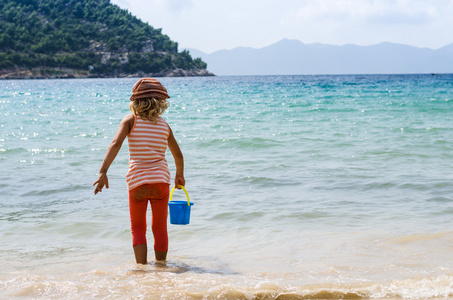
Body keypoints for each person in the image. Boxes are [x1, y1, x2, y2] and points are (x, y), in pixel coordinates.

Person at [93, 78, 185, 264]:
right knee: (160, 228)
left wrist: (103, 171)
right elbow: (178, 155)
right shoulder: (164, 125)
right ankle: (161, 266)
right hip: (161, 181)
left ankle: (142, 270)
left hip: (138, 182)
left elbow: (115, 144)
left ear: (135, 101)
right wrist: (179, 176)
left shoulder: (130, 120)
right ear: (160, 102)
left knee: (138, 228)